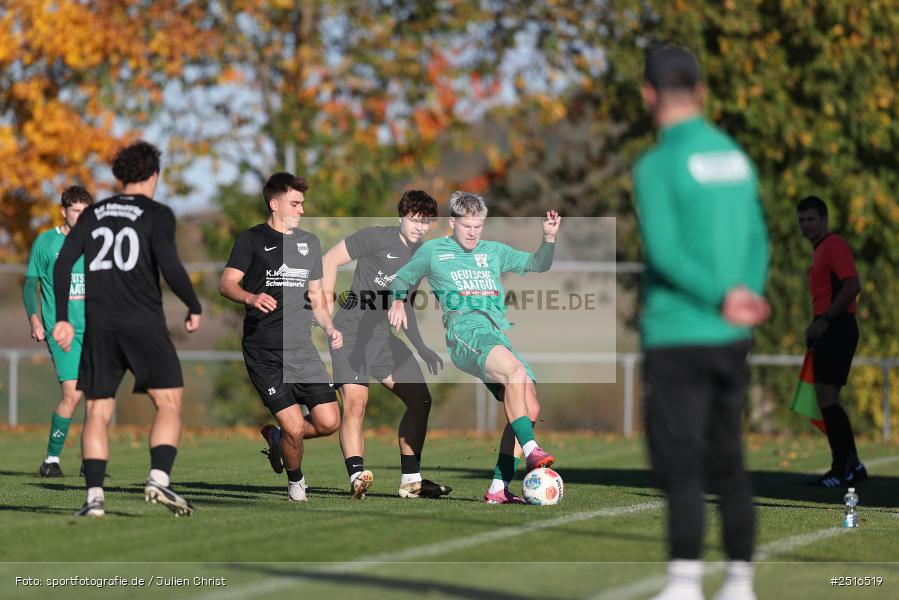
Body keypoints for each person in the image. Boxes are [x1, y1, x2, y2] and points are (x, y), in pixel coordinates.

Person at [634, 46, 771, 600]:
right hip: (731, 336)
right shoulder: (735, 155)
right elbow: (759, 237)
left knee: (680, 462)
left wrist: (719, 295)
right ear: (701, 91)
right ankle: (740, 582)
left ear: (648, 94)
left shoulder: (656, 164)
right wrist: (747, 295)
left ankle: (684, 583)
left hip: (678, 330)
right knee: (728, 457)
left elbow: (664, 251)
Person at [53, 141, 203, 518]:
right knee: (168, 402)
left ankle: (94, 500)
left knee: (98, 410)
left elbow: (63, 264)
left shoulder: (94, 213)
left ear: (119, 177)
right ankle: (157, 479)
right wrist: (193, 304)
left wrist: (61, 318)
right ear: (154, 175)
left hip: (99, 324)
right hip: (143, 322)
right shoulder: (157, 213)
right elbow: (169, 266)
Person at [388, 191, 559, 504]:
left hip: (496, 336)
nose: (472, 232)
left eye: (478, 226)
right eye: (467, 226)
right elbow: (401, 278)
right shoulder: (433, 251)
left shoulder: (493, 251)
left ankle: (498, 488)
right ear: (453, 222)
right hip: (465, 332)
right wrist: (398, 301)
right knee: (515, 372)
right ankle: (533, 450)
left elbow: (538, 264)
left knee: (530, 406)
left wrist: (548, 240)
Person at [219, 172, 341, 502]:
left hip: (301, 348)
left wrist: (329, 326)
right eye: (295, 203)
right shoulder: (251, 240)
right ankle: (296, 483)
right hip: (264, 351)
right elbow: (227, 283)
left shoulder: (310, 243)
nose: (301, 209)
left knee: (330, 422)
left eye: (302, 203)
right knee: (295, 428)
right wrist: (250, 297)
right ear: (275, 204)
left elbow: (316, 296)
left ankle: (277, 439)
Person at [321, 190, 451, 499]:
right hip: (349, 335)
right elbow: (329, 259)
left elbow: (403, 304)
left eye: (426, 222)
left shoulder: (422, 257)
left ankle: (411, 481)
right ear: (401, 217)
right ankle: (357, 477)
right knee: (356, 404)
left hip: (382, 341)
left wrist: (421, 347)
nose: (420, 227)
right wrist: (324, 309)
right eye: (414, 220)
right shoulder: (375, 237)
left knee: (421, 400)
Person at [24, 186, 93, 477]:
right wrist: (35, 320)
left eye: (86, 211)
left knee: (97, 396)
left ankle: (92, 459)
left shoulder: (97, 242)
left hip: (95, 330)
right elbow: (30, 284)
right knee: (73, 394)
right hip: (61, 331)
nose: (81, 216)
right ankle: (51, 460)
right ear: (64, 211)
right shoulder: (46, 242)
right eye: (76, 210)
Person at [797, 195, 865, 487]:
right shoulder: (820, 250)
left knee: (827, 398)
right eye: (801, 220)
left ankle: (842, 469)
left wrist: (825, 320)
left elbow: (853, 285)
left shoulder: (833, 245)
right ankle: (852, 465)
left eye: (811, 219)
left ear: (824, 219)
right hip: (828, 327)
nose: (806, 225)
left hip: (837, 327)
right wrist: (815, 324)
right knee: (827, 398)